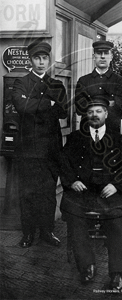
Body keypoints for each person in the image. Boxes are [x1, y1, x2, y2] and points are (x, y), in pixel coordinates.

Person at [59, 96, 122, 290]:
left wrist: (116, 185)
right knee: (76, 219)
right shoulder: (76, 138)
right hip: (82, 191)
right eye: (91, 111)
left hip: (108, 192)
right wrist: (72, 181)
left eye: (98, 111)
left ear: (106, 114)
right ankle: (87, 266)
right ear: (86, 114)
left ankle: (117, 274)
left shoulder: (117, 139)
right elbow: (64, 163)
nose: (94, 115)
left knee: (116, 222)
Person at [12, 40, 69, 248]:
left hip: (50, 149)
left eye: (45, 58)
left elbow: (62, 111)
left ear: (49, 60)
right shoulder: (21, 83)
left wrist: (34, 103)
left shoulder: (57, 85)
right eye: (37, 58)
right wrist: (48, 103)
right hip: (27, 149)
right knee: (27, 192)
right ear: (30, 59)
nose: (41, 62)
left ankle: (47, 231)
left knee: (47, 193)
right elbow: (21, 106)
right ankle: (28, 233)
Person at [75, 40, 122, 132]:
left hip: (111, 133)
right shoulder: (83, 81)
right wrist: (109, 103)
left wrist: (90, 103)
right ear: (93, 57)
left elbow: (121, 109)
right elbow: (80, 109)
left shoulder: (119, 81)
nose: (103, 56)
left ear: (111, 57)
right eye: (99, 53)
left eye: (106, 53)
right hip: (87, 132)